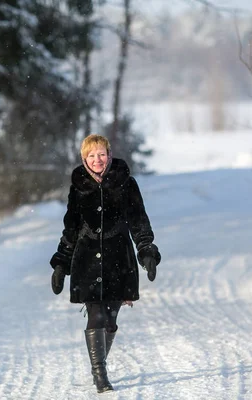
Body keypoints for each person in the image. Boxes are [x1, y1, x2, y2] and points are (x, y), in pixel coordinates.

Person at [49, 134, 161, 393]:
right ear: (84, 159)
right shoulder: (79, 187)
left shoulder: (126, 184)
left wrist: (146, 250)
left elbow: (139, 220)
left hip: (118, 261)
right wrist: (61, 264)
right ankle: (100, 375)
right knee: (96, 316)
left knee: (110, 321)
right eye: (91, 156)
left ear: (109, 155)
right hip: (86, 261)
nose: (97, 160)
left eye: (101, 154)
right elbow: (71, 228)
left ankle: (98, 362)